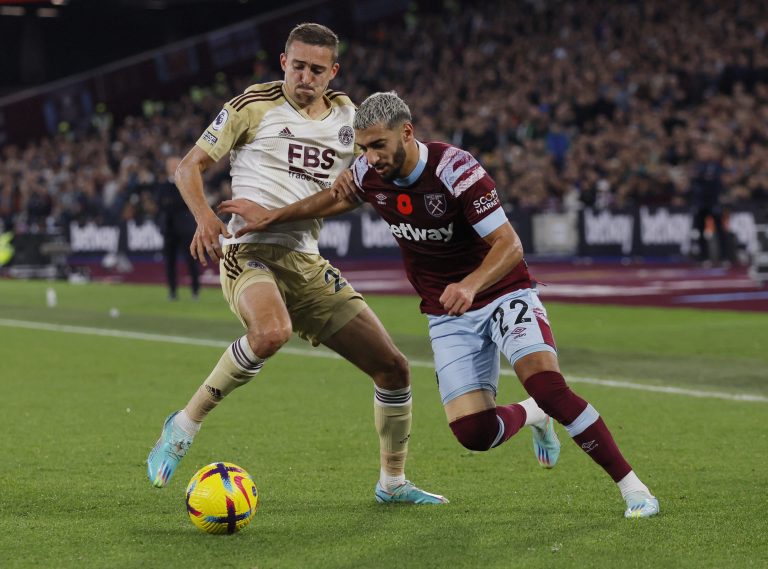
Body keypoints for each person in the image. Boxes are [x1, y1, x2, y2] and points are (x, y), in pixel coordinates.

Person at [219, 91, 660, 519]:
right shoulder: (369, 171)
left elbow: (509, 245)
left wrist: (470, 285)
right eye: (364, 148)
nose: (370, 157)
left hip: (501, 292)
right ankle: (534, 414)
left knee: (548, 384)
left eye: (378, 145)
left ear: (407, 133)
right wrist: (273, 217)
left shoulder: (456, 170)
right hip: (447, 312)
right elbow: (337, 197)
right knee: (474, 433)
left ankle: (634, 489)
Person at [147, 23, 461, 505]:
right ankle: (184, 425)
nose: (305, 78)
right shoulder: (253, 106)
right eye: (298, 66)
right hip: (248, 252)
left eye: (317, 70)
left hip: (308, 263)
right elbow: (189, 166)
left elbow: (371, 176)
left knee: (394, 369)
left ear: (333, 72)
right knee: (271, 332)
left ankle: (392, 482)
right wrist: (205, 217)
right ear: (283, 63)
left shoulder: (351, 119)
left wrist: (384, 182)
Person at [155, 156, 200, 300]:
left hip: (186, 229)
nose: (174, 167)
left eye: (176, 164)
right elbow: (160, 204)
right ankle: (172, 292)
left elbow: (189, 202)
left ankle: (195, 291)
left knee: (191, 260)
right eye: (171, 165)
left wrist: (171, 203)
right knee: (170, 262)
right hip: (169, 229)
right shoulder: (163, 186)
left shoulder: (188, 183)